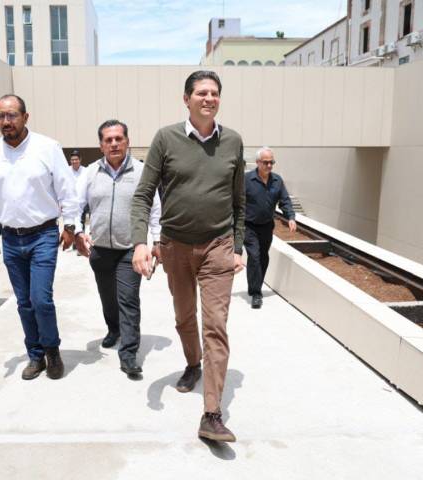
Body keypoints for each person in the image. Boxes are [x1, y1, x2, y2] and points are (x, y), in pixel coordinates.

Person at [131, 70, 245, 443]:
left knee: (216, 325)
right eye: (201, 93)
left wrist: (238, 246)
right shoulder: (166, 138)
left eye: (214, 93)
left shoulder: (233, 142)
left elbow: (239, 201)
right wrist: (141, 242)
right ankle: (193, 363)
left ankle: (212, 414)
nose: (209, 98)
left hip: (217, 247)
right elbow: (143, 194)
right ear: (186, 99)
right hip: (175, 246)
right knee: (184, 317)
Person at [0, 94, 78, 381]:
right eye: (1, 116)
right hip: (10, 238)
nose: (6, 121)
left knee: (41, 299)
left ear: (25, 117)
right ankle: (35, 355)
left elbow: (67, 190)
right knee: (24, 302)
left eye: (12, 115)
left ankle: (52, 351)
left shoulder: (47, 147)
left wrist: (70, 226)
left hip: (43, 234)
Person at [74, 120, 161, 378]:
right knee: (108, 297)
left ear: (127, 141)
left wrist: (157, 241)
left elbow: (155, 208)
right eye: (108, 140)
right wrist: (77, 231)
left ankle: (129, 353)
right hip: (100, 249)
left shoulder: (142, 171)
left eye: (118, 139)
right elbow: (76, 205)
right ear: (101, 145)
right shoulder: (91, 173)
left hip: (131, 249)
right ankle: (114, 329)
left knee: (128, 299)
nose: (114, 144)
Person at [244, 147, 296, 309]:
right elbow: (236, 201)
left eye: (271, 162)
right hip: (248, 226)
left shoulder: (277, 181)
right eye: (265, 162)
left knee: (263, 257)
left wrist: (291, 217)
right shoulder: (246, 180)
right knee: (254, 256)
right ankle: (256, 293)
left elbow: (285, 201)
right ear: (257, 162)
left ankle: (255, 286)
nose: (269, 165)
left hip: (267, 226)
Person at [69, 150, 89, 248]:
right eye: (72, 160)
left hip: (83, 201)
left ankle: (80, 244)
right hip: (70, 202)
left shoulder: (86, 171)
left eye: (76, 159)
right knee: (71, 223)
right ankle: (74, 242)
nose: (74, 161)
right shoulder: (66, 170)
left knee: (81, 221)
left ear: (80, 160)